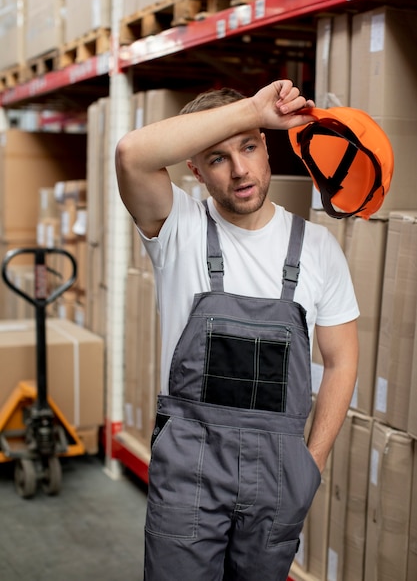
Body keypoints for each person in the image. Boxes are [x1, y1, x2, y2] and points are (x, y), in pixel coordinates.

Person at [115, 79, 359, 581]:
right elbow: (131, 153)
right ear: (195, 170)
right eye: (218, 158)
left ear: (265, 147)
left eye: (249, 146)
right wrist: (252, 110)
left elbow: (341, 359)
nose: (241, 170)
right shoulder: (177, 227)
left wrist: (308, 465)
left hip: (278, 476)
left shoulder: (317, 249)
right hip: (189, 471)